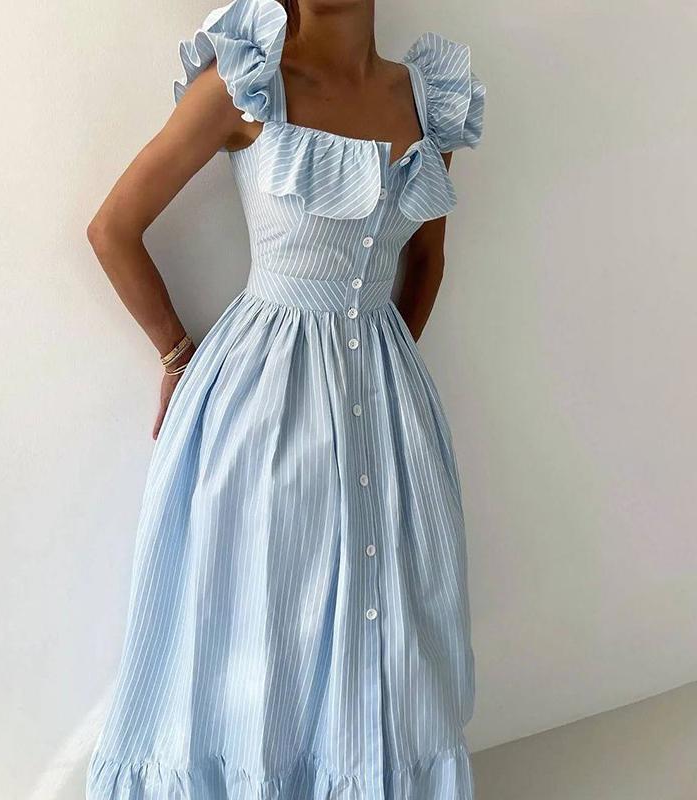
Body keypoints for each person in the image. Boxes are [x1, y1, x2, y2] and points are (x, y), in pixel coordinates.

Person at [85, 0, 485, 797]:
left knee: (399, 617)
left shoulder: (428, 99)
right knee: (263, 620)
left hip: (389, 398)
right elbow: (113, 228)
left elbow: (427, 260)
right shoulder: (244, 82)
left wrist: (382, 374)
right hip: (262, 401)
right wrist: (175, 353)